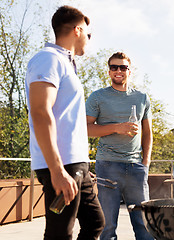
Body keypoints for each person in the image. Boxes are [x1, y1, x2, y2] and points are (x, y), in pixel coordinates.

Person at [24, 5, 104, 240]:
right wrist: (57, 170)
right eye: (88, 35)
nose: (89, 41)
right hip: (62, 164)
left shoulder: (65, 63)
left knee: (95, 223)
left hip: (77, 164)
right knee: (60, 233)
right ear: (77, 30)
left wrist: (83, 165)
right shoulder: (47, 59)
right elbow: (40, 112)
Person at [86, 52, 153, 240]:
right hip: (107, 166)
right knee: (107, 226)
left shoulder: (142, 98)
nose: (118, 71)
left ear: (129, 71)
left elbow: (147, 133)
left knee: (145, 225)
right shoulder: (98, 97)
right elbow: (85, 128)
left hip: (136, 167)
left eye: (123, 67)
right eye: (114, 67)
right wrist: (117, 128)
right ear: (109, 71)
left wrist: (145, 163)